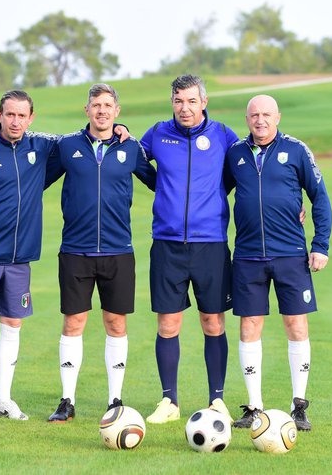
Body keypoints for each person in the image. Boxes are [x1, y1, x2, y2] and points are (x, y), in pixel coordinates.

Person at [0, 90, 129, 424]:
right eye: (9, 114)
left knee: (12, 326)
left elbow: (86, 137)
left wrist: (119, 129)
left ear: (31, 118)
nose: (15, 121)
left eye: (22, 115)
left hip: (20, 257)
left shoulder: (42, 145)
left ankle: (4, 399)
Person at [45, 83, 156, 423]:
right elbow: (33, 181)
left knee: (115, 323)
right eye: (96, 105)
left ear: (117, 112)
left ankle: (114, 399)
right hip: (75, 251)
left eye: (108, 105)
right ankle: (67, 400)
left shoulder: (130, 148)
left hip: (118, 251)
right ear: (87, 110)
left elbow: (161, 182)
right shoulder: (67, 147)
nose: (102, 110)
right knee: (74, 322)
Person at [224, 95, 332, 431]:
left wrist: (320, 245)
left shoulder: (296, 150)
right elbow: (213, 191)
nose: (260, 120)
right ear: (247, 119)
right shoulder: (235, 154)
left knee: (296, 326)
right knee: (249, 327)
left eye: (266, 114)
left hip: (290, 255)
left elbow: (320, 197)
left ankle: (299, 406)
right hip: (247, 256)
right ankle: (254, 407)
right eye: (254, 115)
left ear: (278, 117)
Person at [139, 75, 239, 424]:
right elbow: (135, 161)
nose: (185, 108)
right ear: (172, 102)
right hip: (167, 244)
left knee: (213, 321)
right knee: (168, 324)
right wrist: (161, 186)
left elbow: (245, 171)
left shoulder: (224, 135)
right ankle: (169, 401)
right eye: (179, 101)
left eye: (191, 101)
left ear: (204, 102)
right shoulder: (157, 133)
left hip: (210, 244)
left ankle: (217, 400)